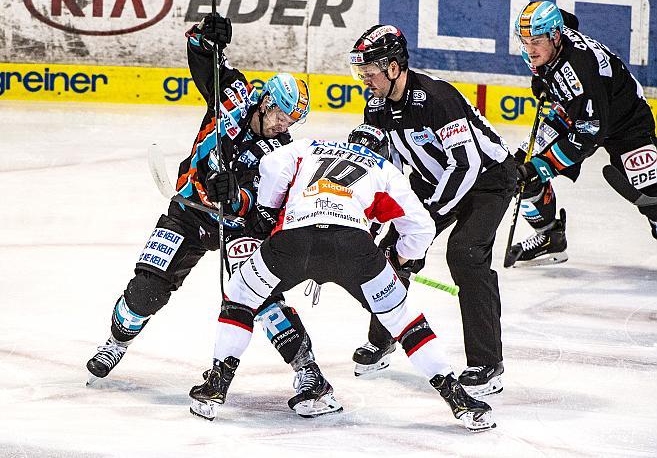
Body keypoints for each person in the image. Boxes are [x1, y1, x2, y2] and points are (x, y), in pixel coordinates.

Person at [187, 124, 496, 431]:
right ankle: (457, 397)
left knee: (240, 296)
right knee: (405, 320)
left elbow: (271, 164)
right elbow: (422, 228)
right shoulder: (386, 168)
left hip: (295, 240)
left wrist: (268, 211)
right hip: (354, 249)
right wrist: (399, 256)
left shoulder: (310, 146)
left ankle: (216, 385)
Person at [85, 14, 326, 403]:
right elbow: (201, 56)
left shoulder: (281, 152)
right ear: (265, 102)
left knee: (259, 295)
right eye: (280, 115)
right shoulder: (232, 92)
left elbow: (261, 203)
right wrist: (206, 35)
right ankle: (116, 342)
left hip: (234, 224)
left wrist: (235, 197)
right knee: (146, 291)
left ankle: (307, 370)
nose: (283, 126)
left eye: (291, 121)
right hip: (190, 210)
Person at [348, 25, 516, 398]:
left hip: (487, 180)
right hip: (431, 180)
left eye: (370, 73)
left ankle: (488, 364)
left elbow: (466, 164)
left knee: (466, 255)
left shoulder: (437, 97)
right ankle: (383, 339)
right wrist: (368, 213)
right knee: (392, 253)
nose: (365, 81)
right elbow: (381, 165)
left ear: (393, 68)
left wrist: (424, 216)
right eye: (361, 74)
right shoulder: (375, 107)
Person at [506, 1, 657, 266]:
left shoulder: (580, 70)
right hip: (575, 111)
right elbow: (570, 19)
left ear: (555, 36)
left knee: (650, 193)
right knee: (520, 170)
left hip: (627, 121)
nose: (530, 50)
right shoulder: (556, 33)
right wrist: (541, 80)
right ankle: (550, 237)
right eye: (525, 41)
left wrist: (544, 165)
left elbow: (589, 134)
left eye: (537, 42)